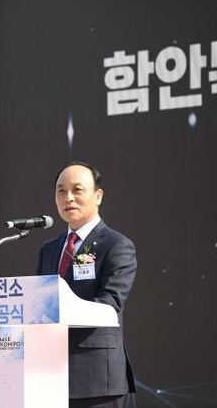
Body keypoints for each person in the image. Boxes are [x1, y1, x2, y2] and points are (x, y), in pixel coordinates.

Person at [36, 162, 137, 407]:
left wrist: (62, 308)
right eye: (61, 191)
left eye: (77, 190)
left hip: (95, 377)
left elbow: (110, 303)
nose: (68, 198)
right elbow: (38, 303)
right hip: (48, 374)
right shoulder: (49, 249)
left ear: (98, 196)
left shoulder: (116, 245)